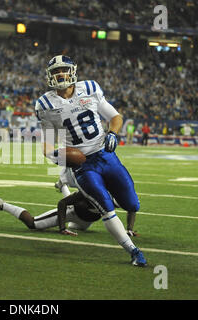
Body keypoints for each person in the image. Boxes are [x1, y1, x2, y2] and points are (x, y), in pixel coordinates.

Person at [35, 55, 147, 267]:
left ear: (72, 72)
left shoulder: (90, 88)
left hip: (105, 154)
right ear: (49, 76)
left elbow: (115, 117)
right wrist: (64, 157)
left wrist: (113, 133)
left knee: (132, 203)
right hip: (83, 166)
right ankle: (133, 250)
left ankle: (107, 200)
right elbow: (47, 147)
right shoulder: (45, 104)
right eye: (56, 71)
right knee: (105, 207)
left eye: (64, 70)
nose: (60, 74)